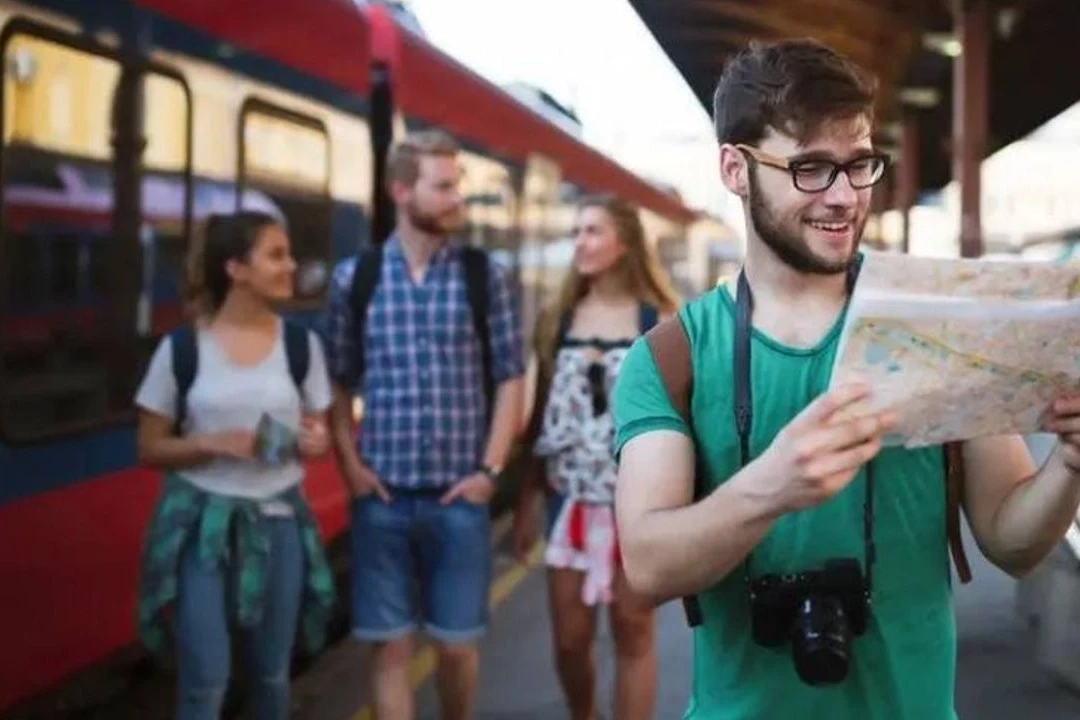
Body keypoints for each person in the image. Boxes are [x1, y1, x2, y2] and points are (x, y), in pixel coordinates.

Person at [610, 38, 1080, 719]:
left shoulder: (936, 324)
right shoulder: (671, 357)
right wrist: (773, 487)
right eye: (810, 169)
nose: (843, 197)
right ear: (735, 170)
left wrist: (1068, 464)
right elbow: (648, 565)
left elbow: (1010, 540)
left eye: (859, 166)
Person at [323, 129, 525, 720]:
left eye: (457, 184)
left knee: (456, 650)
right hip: (380, 497)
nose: (456, 197)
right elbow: (336, 380)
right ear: (402, 191)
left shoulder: (484, 277)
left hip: (459, 497)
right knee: (388, 651)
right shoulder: (353, 280)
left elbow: (511, 376)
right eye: (443, 186)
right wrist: (350, 466)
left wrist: (491, 470)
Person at [134, 211, 337, 720]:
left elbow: (320, 433)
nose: (291, 266)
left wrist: (317, 440)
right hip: (204, 528)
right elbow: (149, 447)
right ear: (236, 269)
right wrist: (212, 443)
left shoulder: (299, 347)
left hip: (281, 523)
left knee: (272, 676)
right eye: (276, 255)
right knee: (206, 681)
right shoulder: (181, 350)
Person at [512, 194, 680, 720]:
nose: (579, 242)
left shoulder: (660, 319)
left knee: (633, 632)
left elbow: (681, 415)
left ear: (624, 242)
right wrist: (525, 500)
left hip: (638, 502)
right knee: (570, 640)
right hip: (569, 499)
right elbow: (539, 416)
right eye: (577, 231)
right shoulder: (559, 319)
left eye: (592, 231)